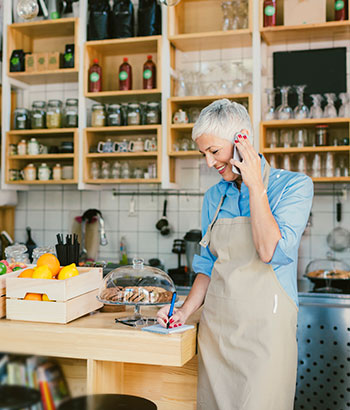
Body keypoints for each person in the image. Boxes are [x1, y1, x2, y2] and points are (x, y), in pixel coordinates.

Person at [157, 99, 314, 410]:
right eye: (203, 153)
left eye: (214, 151)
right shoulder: (214, 196)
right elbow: (207, 263)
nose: (208, 162)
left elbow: (270, 250)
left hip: (264, 334)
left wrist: (255, 186)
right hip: (217, 332)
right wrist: (184, 313)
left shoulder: (294, 187)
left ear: (242, 141)